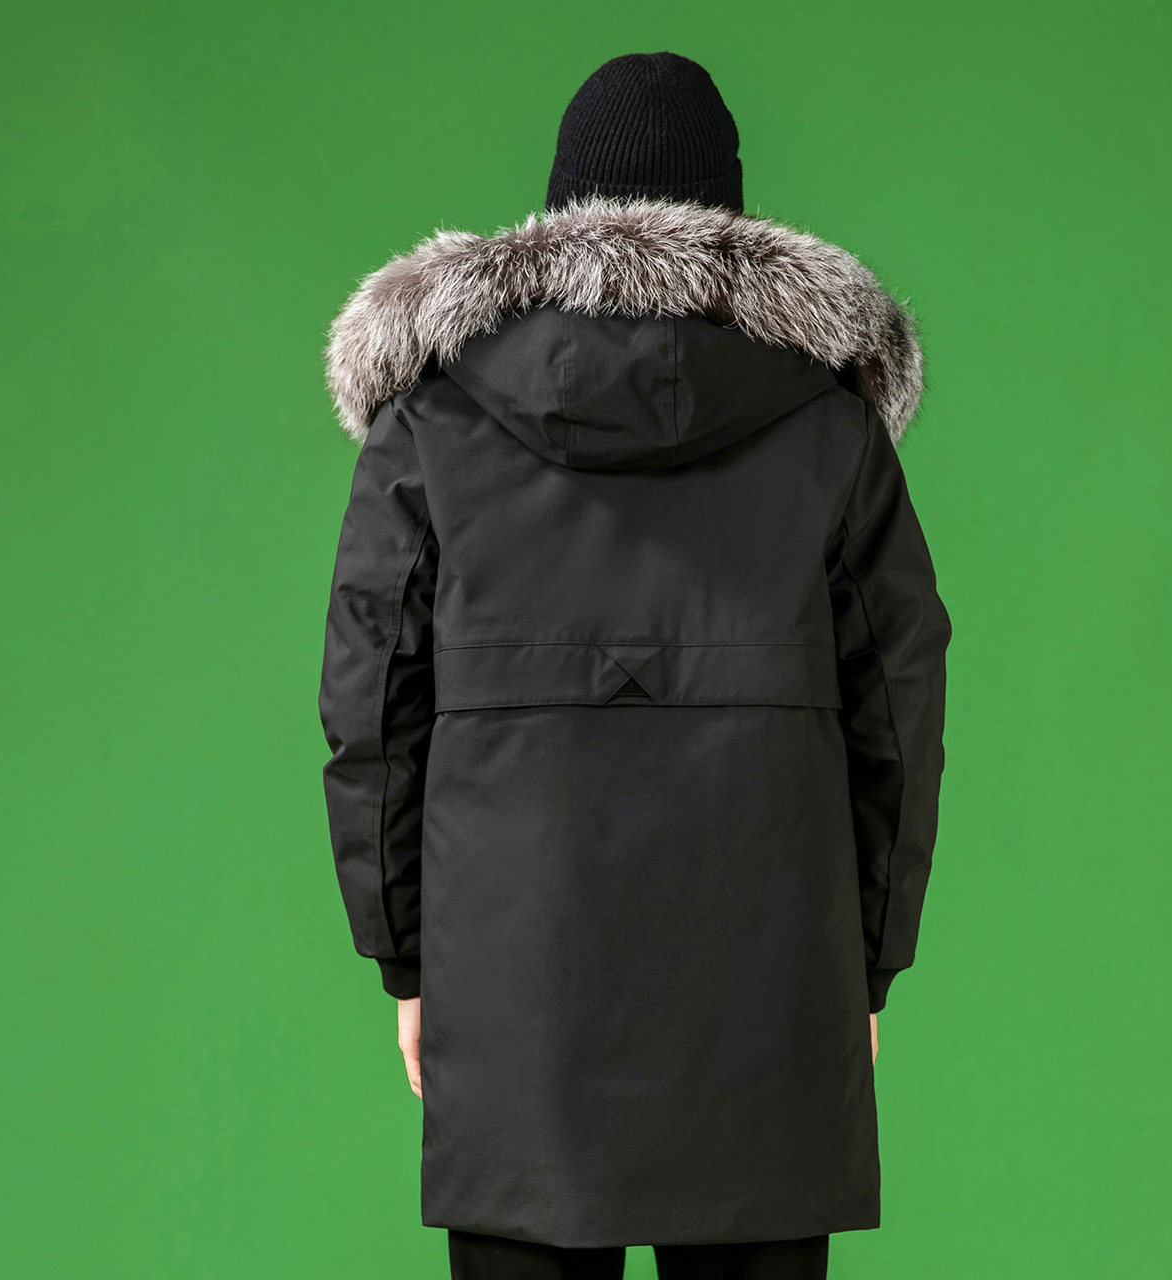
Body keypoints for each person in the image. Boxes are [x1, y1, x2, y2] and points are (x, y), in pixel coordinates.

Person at [318, 51, 951, 1280]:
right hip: (771, 988)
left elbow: (370, 707)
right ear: (731, 225)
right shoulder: (828, 424)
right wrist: (864, 964)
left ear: (558, 214)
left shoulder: (432, 424)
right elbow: (898, 707)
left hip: (513, 989)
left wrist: (406, 954)